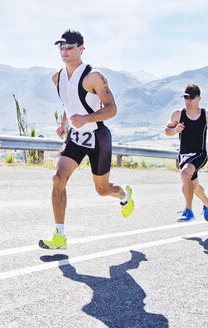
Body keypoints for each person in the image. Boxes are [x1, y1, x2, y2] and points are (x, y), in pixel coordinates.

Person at [39, 29, 133, 250]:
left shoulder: (94, 77)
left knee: (102, 190)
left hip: (98, 137)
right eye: (61, 47)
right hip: (75, 136)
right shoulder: (57, 77)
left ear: (81, 49)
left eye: (69, 47)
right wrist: (65, 123)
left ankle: (123, 195)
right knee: (57, 178)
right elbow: (69, 102)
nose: (64, 51)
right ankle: (60, 235)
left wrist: (86, 118)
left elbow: (112, 109)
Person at [164, 84, 208, 222]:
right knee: (193, 187)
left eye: (191, 97)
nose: (188, 100)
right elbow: (167, 130)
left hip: (199, 154)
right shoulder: (177, 114)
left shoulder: (207, 114)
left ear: (199, 98)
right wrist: (174, 130)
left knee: (185, 174)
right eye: (185, 97)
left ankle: (188, 211)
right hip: (184, 156)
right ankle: (207, 203)